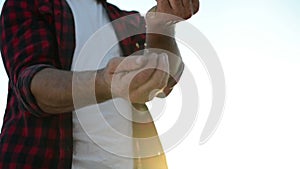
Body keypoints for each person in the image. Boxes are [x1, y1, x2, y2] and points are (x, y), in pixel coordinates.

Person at [0, 0, 199, 168]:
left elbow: (165, 82)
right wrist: (106, 83)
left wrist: (163, 24)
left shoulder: (126, 20)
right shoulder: (30, 3)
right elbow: (34, 88)